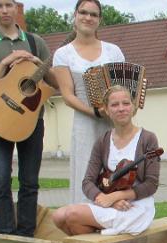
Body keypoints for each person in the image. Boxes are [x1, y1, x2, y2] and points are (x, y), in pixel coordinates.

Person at [0, 0, 57, 237]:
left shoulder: (35, 42)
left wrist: (39, 63)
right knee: (0, 181)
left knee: (29, 182)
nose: (5, 10)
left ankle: (27, 237)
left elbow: (55, 83)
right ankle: (7, 237)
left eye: (9, 5)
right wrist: (5, 63)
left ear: (16, 8)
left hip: (30, 120)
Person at [52, 85, 159, 236]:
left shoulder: (148, 138)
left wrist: (117, 196)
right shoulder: (103, 141)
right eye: (114, 105)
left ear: (133, 107)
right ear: (107, 110)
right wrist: (104, 198)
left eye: (126, 103)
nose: (121, 108)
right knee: (57, 217)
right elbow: (87, 181)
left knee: (72, 215)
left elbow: (151, 184)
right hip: (110, 204)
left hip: (136, 207)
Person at [53, 0, 125, 203]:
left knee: (117, 166)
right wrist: (94, 112)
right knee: (87, 168)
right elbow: (67, 96)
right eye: (83, 12)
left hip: (113, 123)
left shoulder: (113, 51)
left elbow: (123, 89)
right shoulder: (63, 54)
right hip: (85, 123)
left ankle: (116, 216)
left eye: (94, 14)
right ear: (75, 15)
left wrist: (115, 111)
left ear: (99, 20)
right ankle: (85, 218)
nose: (88, 17)